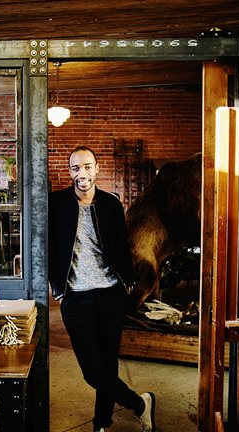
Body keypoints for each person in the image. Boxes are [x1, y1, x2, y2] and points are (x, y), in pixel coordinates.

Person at [49, 146, 156, 432]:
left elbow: (123, 247)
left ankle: (101, 424)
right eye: (75, 168)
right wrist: (57, 288)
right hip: (75, 297)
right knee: (93, 372)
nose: (81, 173)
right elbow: (48, 246)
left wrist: (128, 285)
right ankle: (140, 404)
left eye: (86, 166)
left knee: (108, 365)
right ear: (69, 171)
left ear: (96, 169)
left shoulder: (111, 203)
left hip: (110, 295)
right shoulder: (56, 203)